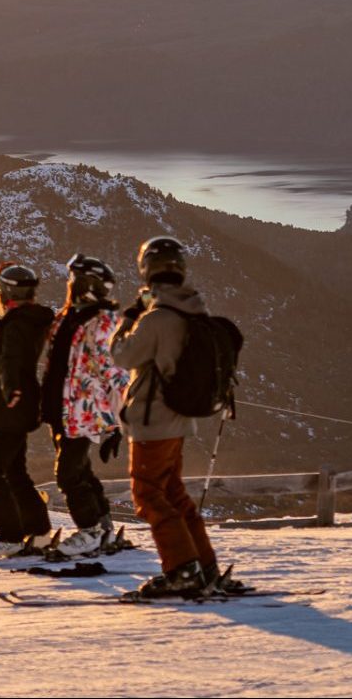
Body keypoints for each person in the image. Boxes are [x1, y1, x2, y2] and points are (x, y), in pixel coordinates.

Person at [108, 236, 219, 596]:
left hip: (153, 418)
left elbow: (123, 356)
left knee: (149, 495)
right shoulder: (193, 310)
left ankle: (182, 570)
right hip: (179, 418)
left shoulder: (156, 318)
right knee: (174, 494)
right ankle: (204, 567)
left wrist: (129, 320)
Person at [40, 254, 130, 557]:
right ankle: (102, 529)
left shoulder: (102, 321)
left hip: (84, 411)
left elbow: (112, 368)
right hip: (60, 408)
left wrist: (119, 419)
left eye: (75, 279)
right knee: (81, 471)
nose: (70, 284)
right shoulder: (66, 317)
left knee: (68, 474)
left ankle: (89, 529)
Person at [0, 261, 56, 560]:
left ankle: (10, 536)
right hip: (16, 408)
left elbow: (11, 360)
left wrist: (11, 391)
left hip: (10, 409)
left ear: (5, 293)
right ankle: (38, 532)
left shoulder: (16, 324)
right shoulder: (26, 320)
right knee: (15, 471)